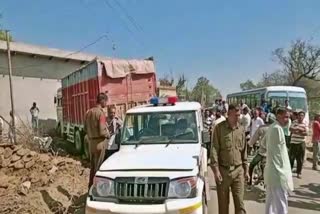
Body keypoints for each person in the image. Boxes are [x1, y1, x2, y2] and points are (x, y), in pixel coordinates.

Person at [210, 104, 249, 214]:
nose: (238, 117)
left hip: (238, 171)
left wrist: (246, 170)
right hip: (223, 172)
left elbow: (244, 151)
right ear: (228, 114)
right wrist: (216, 170)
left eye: (239, 115)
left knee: (240, 205)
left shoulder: (241, 129)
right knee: (223, 206)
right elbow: (214, 149)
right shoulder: (219, 128)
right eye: (235, 115)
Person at [264, 108, 293, 214]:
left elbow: (264, 145)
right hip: (278, 173)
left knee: (270, 204)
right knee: (281, 204)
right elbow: (279, 156)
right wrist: (283, 174)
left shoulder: (272, 127)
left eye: (289, 117)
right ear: (279, 116)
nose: (288, 120)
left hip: (272, 172)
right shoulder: (277, 129)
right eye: (286, 117)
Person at [84, 93, 110, 189]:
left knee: (92, 168)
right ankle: (96, 190)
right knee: (99, 168)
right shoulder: (100, 113)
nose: (106, 104)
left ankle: (90, 187)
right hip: (100, 143)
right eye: (106, 101)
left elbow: (85, 128)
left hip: (91, 144)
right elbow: (102, 131)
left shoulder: (88, 112)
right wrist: (108, 135)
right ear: (102, 101)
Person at [247, 116, 274, 188]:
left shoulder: (261, 128)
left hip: (262, 152)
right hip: (272, 153)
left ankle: (249, 182)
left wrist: (250, 144)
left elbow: (253, 139)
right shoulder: (276, 128)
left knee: (252, 165)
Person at [289, 111, 308, 178]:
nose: (300, 117)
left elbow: (306, 133)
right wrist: (300, 129)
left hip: (301, 143)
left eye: (302, 115)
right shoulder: (294, 122)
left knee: (300, 159)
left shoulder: (305, 123)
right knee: (291, 158)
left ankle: (298, 173)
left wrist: (297, 130)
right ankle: (289, 172)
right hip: (293, 143)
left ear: (303, 116)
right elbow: (290, 129)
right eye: (300, 115)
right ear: (298, 116)